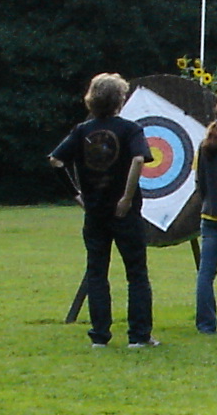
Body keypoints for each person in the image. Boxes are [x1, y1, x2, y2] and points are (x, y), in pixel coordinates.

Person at [48, 74, 156, 349]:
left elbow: (56, 160)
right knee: (136, 273)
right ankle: (139, 336)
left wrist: (77, 196)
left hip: (95, 212)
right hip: (125, 214)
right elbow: (138, 159)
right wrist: (126, 198)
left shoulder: (82, 131)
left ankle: (100, 336)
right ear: (119, 100)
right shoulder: (130, 129)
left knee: (97, 272)